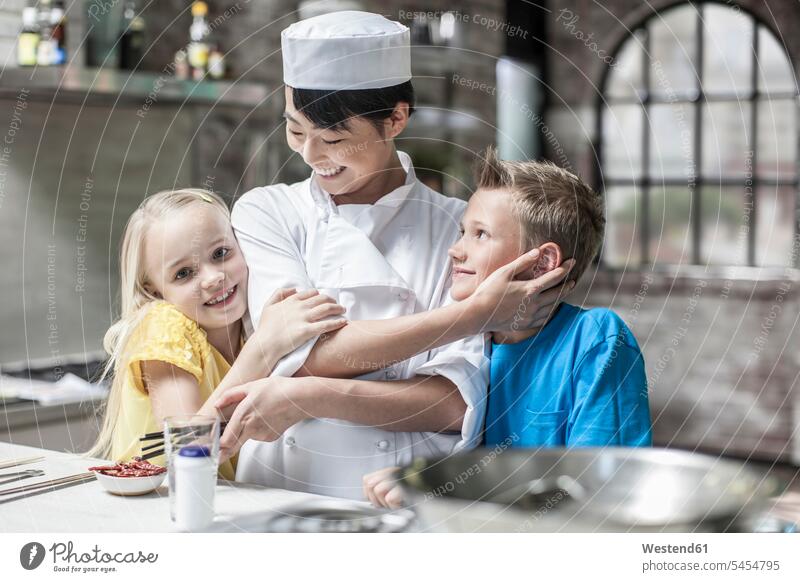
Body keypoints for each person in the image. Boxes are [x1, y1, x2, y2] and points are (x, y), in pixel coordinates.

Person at [208, 11, 572, 499]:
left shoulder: (459, 226)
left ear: (396, 118)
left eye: (333, 138)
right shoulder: (268, 211)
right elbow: (300, 358)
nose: (311, 155)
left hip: (401, 493)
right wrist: (470, 315)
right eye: (296, 131)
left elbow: (452, 404)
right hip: (282, 485)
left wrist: (308, 391)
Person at [363, 148, 652, 508]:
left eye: (480, 235)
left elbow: (600, 487)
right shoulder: (462, 341)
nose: (455, 250)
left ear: (542, 262)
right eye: (462, 231)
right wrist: (420, 481)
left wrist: (438, 487)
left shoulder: (595, 340)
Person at [85, 189, 347, 480]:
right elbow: (187, 446)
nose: (212, 278)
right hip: (157, 508)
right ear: (154, 290)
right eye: (184, 273)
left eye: (221, 254)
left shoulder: (252, 323)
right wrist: (264, 348)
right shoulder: (163, 327)